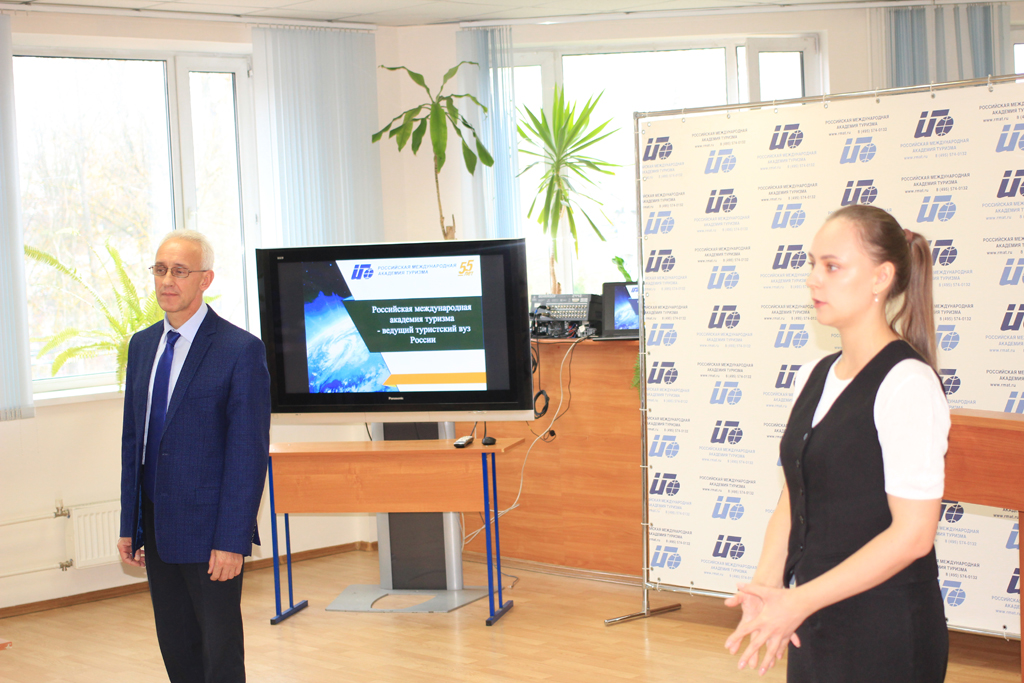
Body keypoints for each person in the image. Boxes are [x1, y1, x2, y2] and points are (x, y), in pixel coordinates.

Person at [724, 205, 950, 681]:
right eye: (812, 264)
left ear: (881, 277)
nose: (813, 279)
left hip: (884, 630)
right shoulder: (813, 374)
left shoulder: (907, 383)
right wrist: (766, 588)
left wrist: (798, 601)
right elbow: (794, 495)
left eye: (832, 266)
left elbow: (913, 535)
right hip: (814, 620)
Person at [117, 229, 270, 683]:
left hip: (210, 532)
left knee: (219, 653)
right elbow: (133, 441)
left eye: (180, 271)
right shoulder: (142, 345)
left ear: (205, 279)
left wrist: (232, 540)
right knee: (176, 646)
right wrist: (130, 523)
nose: (167, 280)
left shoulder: (240, 350)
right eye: (160, 269)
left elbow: (247, 455)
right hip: (156, 525)